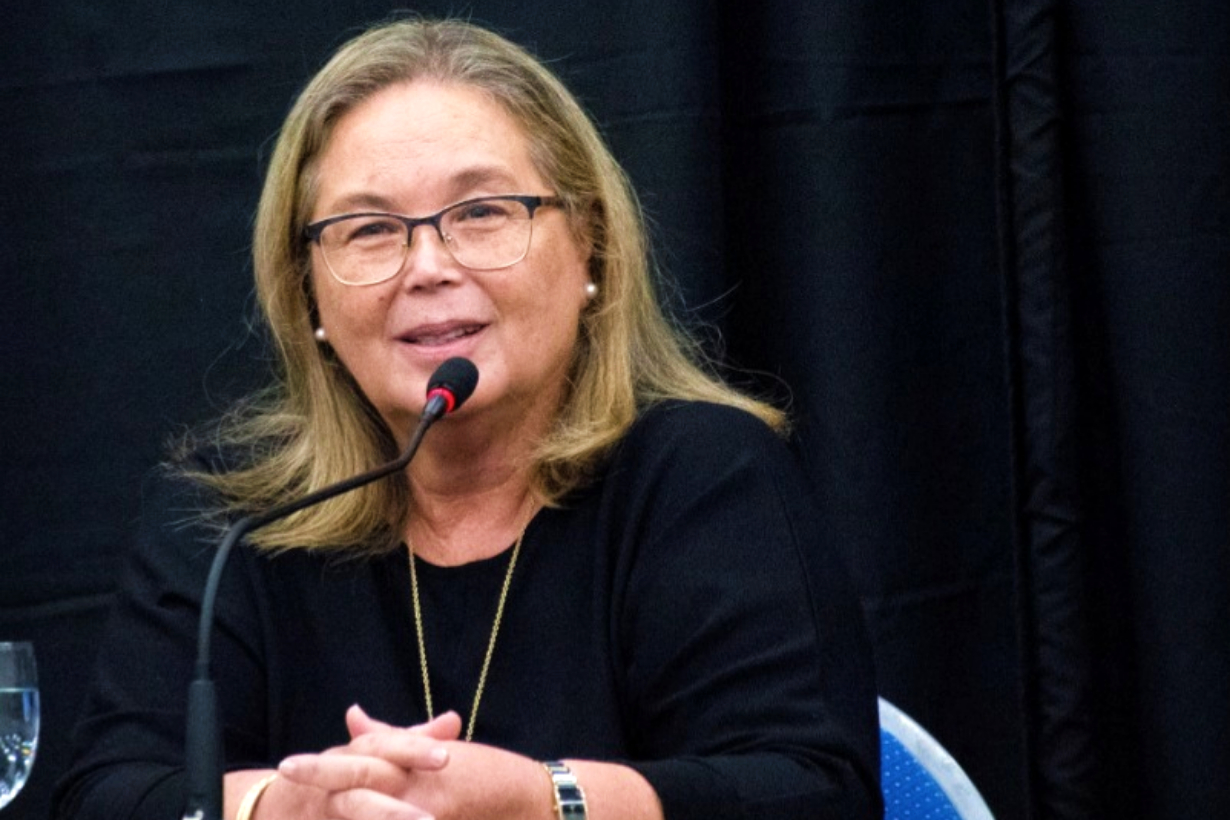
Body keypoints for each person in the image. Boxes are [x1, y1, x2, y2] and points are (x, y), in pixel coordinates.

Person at [52, 17, 881, 820]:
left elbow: (814, 792)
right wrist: (283, 808)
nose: (428, 266)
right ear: (308, 291)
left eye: (482, 212)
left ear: (588, 245)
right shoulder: (230, 518)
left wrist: (543, 804)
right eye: (370, 229)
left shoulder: (702, 476)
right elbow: (105, 794)